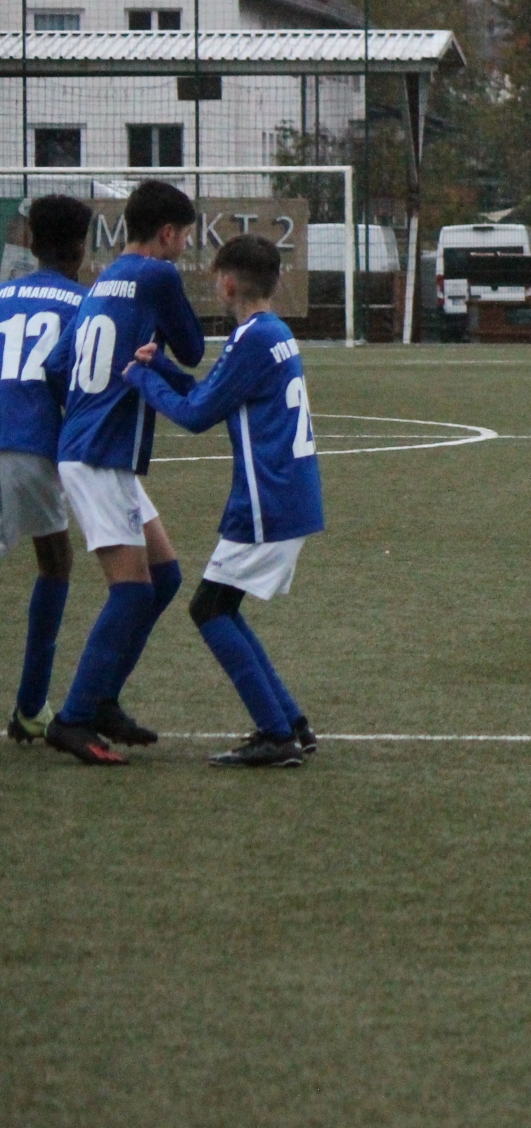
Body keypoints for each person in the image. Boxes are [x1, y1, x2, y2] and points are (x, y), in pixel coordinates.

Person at [125, 234, 322, 767]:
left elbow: (194, 415)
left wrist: (141, 377)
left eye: (217, 277)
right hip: (289, 493)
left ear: (229, 283)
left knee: (208, 608)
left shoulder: (251, 339)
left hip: (269, 498)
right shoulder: (272, 332)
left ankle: (276, 734)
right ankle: (291, 725)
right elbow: (212, 390)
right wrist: (163, 368)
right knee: (222, 607)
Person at [42, 180, 206, 765]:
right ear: (167, 233)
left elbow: (59, 365)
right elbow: (190, 349)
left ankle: (104, 700)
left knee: (162, 579)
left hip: (92, 447)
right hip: (99, 455)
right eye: (184, 236)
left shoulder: (101, 281)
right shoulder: (157, 276)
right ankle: (73, 717)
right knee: (132, 591)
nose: (184, 247)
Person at [1, 195, 90, 744]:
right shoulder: (80, 304)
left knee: (54, 557)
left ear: (29, 243)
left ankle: (32, 706)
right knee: (55, 562)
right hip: (29, 447)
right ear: (81, 248)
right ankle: (31, 705)